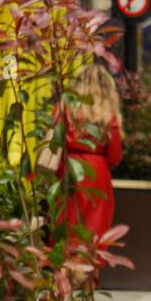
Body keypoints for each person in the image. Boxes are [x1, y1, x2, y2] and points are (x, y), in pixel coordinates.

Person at [60, 61, 125, 244]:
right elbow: (115, 156)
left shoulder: (66, 107)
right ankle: (90, 272)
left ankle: (65, 270)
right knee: (94, 236)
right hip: (98, 175)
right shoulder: (108, 115)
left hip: (68, 170)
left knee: (66, 232)